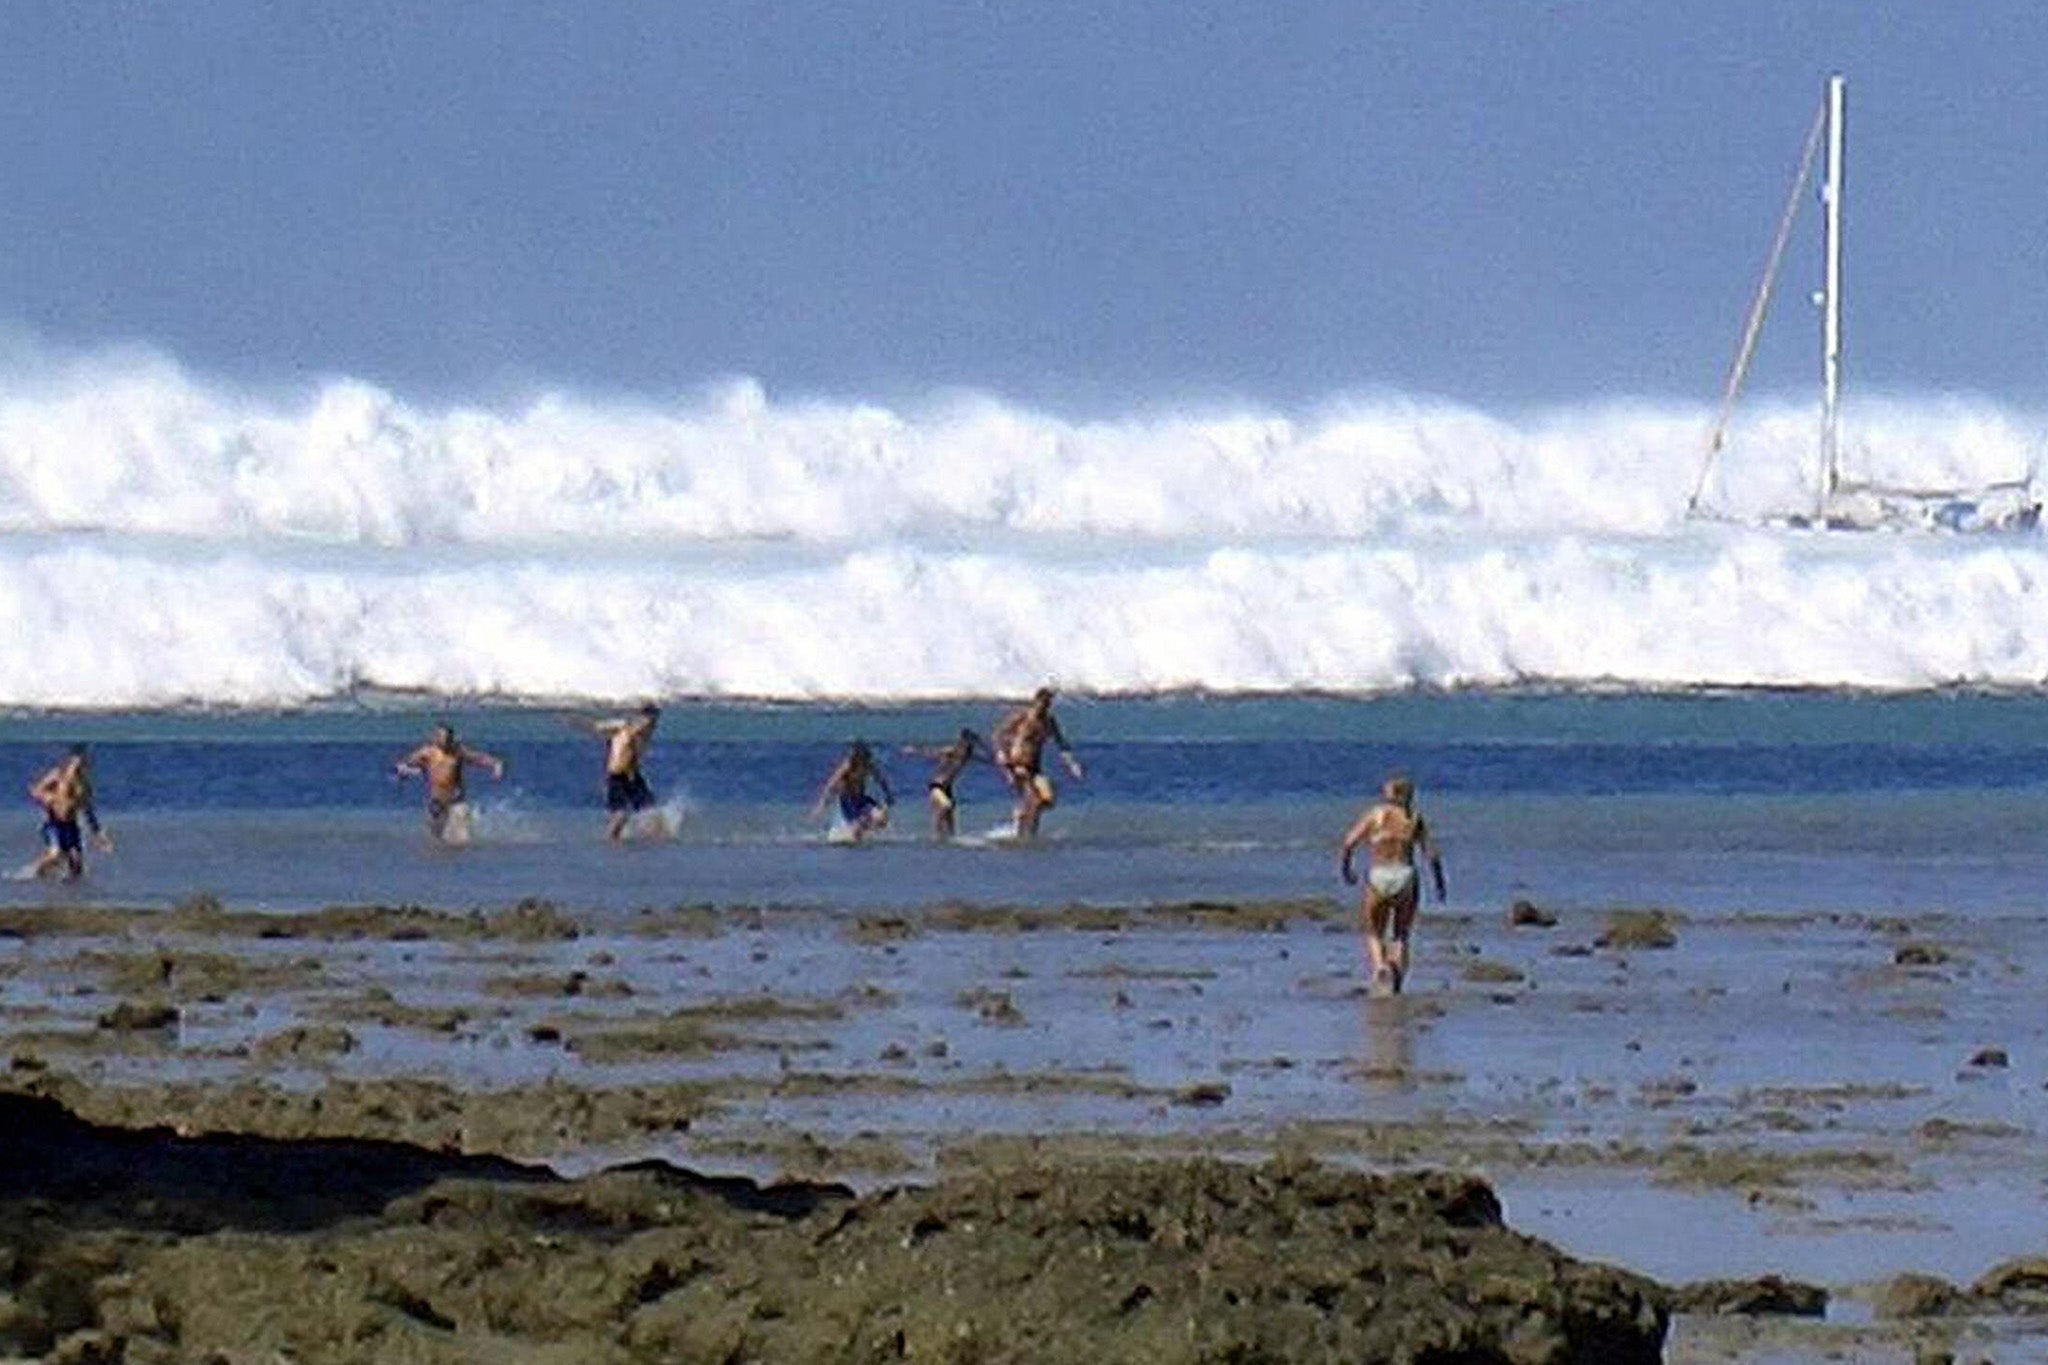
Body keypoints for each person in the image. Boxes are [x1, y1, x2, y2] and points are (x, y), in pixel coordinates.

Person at [1339, 774, 1447, 995]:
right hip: (1405, 875)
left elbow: (1349, 842)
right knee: (1401, 934)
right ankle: (1396, 981)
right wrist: (1439, 883)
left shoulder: (1376, 815)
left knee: (1373, 931)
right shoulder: (1414, 818)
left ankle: (1380, 967)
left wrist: (1346, 870)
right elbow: (1431, 855)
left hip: (1379, 874)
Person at [992, 686, 1083, 840]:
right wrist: (1002, 754)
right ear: (1036, 702)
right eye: (1042, 704)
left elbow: (1061, 744)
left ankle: (1022, 817)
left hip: (1035, 767)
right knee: (1035, 800)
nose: (1044, 708)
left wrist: (1072, 764)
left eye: (1048, 704)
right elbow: (998, 735)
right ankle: (1026, 835)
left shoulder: (1048, 721)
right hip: (1017, 765)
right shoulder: (1022, 717)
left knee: (1048, 799)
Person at [393, 723, 505, 844]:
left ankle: (463, 860)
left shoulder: (458, 752)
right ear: (435, 738)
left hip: (456, 801)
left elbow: (479, 759)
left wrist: (496, 765)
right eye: (441, 737)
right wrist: (402, 771)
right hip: (436, 802)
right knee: (434, 842)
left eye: (447, 737)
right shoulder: (427, 753)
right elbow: (405, 764)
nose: (444, 740)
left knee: (461, 840)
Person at [28, 745, 112, 881]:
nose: (78, 766)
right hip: (54, 823)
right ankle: (34, 877)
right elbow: (35, 790)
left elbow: (88, 811)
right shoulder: (58, 775)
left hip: (71, 825)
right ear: (70, 761)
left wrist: (98, 835)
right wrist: (49, 798)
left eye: (82, 763)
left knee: (77, 865)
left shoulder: (84, 786)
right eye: (76, 763)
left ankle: (71, 896)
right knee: (56, 854)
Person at [582, 702, 661, 841]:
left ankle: (651, 839)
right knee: (620, 815)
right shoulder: (625, 728)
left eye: (653, 721)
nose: (651, 724)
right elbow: (599, 729)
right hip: (617, 776)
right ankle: (612, 841)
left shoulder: (642, 733)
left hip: (632, 776)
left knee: (650, 811)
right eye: (649, 719)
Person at [901, 728, 992, 839]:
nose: (968, 746)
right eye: (967, 743)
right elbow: (931, 753)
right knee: (945, 806)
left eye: (971, 744)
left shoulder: (968, 755)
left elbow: (987, 759)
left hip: (948, 789)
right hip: (936, 786)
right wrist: (913, 752)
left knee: (951, 824)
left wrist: (988, 751)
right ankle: (936, 836)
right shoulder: (951, 751)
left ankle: (948, 845)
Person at [813, 741, 893, 842]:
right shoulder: (847, 767)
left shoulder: (869, 766)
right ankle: (854, 846)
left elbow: (881, 780)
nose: (864, 763)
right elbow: (831, 785)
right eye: (861, 760)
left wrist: (888, 794)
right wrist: (821, 805)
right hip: (848, 801)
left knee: (881, 819)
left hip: (862, 799)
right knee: (856, 831)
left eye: (866, 759)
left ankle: (863, 830)